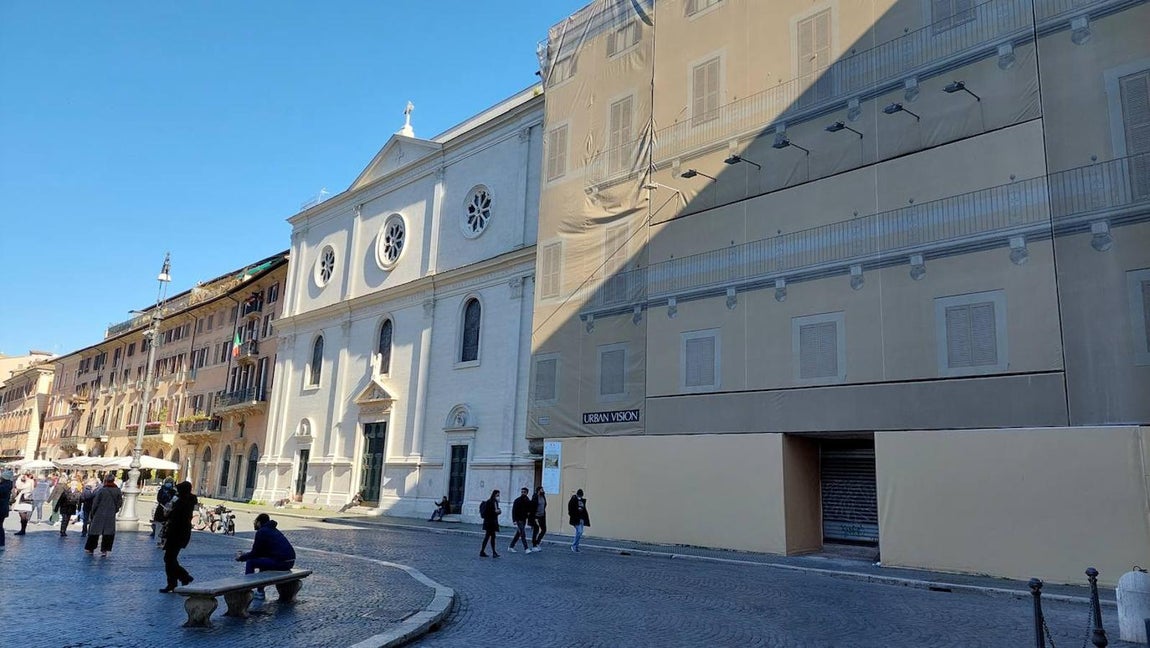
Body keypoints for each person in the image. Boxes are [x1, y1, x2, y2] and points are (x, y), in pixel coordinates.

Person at [235, 513, 296, 600]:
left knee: (251, 562)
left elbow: (255, 553)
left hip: (281, 562)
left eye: (256, 522)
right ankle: (260, 591)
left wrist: (241, 557)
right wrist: (245, 555)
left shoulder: (262, 532)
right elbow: (261, 553)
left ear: (259, 522)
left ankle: (247, 591)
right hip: (290, 561)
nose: (255, 524)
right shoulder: (273, 530)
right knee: (263, 562)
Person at [159, 481, 196, 593]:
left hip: (176, 534)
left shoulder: (182, 503)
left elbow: (174, 517)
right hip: (181, 534)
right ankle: (177, 580)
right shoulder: (188, 501)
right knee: (170, 558)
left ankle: (182, 578)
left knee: (169, 558)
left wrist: (168, 512)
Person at [84, 473, 123, 556]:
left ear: (105, 480)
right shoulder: (117, 490)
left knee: (94, 532)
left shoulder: (102, 490)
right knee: (108, 533)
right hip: (110, 514)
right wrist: (115, 509)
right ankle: (104, 550)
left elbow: (95, 502)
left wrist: (93, 512)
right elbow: (120, 502)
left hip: (99, 513)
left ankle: (91, 548)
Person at [508, 487, 532, 554]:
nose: (523, 493)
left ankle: (511, 547)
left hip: (524, 519)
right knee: (523, 534)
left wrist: (528, 515)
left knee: (518, 534)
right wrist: (514, 520)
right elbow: (514, 511)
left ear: (527, 493)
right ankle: (526, 548)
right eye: (522, 492)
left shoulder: (528, 501)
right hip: (518, 519)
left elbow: (529, 510)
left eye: (524, 492)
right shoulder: (517, 500)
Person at [478, 489, 501, 558]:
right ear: (495, 495)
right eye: (498, 495)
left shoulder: (489, 501)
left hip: (488, 522)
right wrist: (499, 511)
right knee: (491, 537)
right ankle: (493, 552)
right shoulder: (493, 502)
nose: (498, 496)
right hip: (491, 523)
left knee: (488, 537)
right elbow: (494, 512)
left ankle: (483, 551)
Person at [153, 478, 176, 543]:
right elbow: (159, 499)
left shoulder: (173, 491)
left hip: (169, 511)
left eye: (170, 483)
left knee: (167, 526)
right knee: (159, 526)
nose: (168, 484)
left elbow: (174, 500)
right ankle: (159, 540)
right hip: (161, 509)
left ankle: (164, 540)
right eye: (167, 482)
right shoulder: (161, 490)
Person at [567, 488, 590, 553]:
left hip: (581, 519)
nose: (580, 497)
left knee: (579, 532)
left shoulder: (582, 501)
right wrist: (576, 517)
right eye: (580, 496)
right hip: (576, 519)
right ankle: (574, 545)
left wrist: (584, 518)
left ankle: (576, 546)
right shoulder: (573, 500)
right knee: (579, 532)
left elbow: (584, 510)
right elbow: (570, 511)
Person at [529, 486, 547, 551]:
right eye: (542, 489)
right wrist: (534, 517)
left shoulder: (543, 496)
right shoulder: (535, 497)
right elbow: (532, 507)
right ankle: (534, 545)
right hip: (536, 516)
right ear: (539, 490)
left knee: (544, 529)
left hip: (542, 516)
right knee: (536, 530)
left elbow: (545, 505)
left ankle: (537, 542)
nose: (543, 490)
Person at [0, 469, 13, 549]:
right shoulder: (6, 485)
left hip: (1, 509)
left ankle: (1, 543)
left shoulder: (3, 486)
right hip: (3, 509)